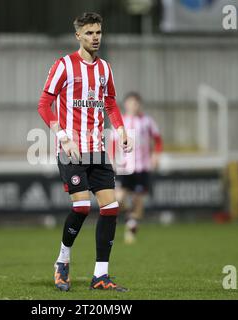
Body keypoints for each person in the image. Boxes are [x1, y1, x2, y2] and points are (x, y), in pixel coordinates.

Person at [37, 12, 133, 292]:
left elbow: (111, 103)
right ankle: (62, 261)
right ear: (78, 35)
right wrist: (63, 136)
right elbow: (44, 105)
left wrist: (121, 129)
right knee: (81, 207)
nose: (95, 38)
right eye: (89, 33)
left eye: (99, 33)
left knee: (111, 208)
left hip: (97, 150)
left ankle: (100, 276)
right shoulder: (64, 65)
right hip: (72, 151)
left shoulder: (105, 68)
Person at [113, 92, 163, 244]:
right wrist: (112, 159)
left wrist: (156, 155)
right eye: (130, 103)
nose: (133, 106)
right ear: (126, 104)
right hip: (124, 167)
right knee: (119, 199)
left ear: (139, 104)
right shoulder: (120, 121)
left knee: (138, 199)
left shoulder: (147, 121)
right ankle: (129, 215)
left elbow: (158, 140)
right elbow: (113, 143)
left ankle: (132, 226)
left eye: (135, 103)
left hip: (142, 166)